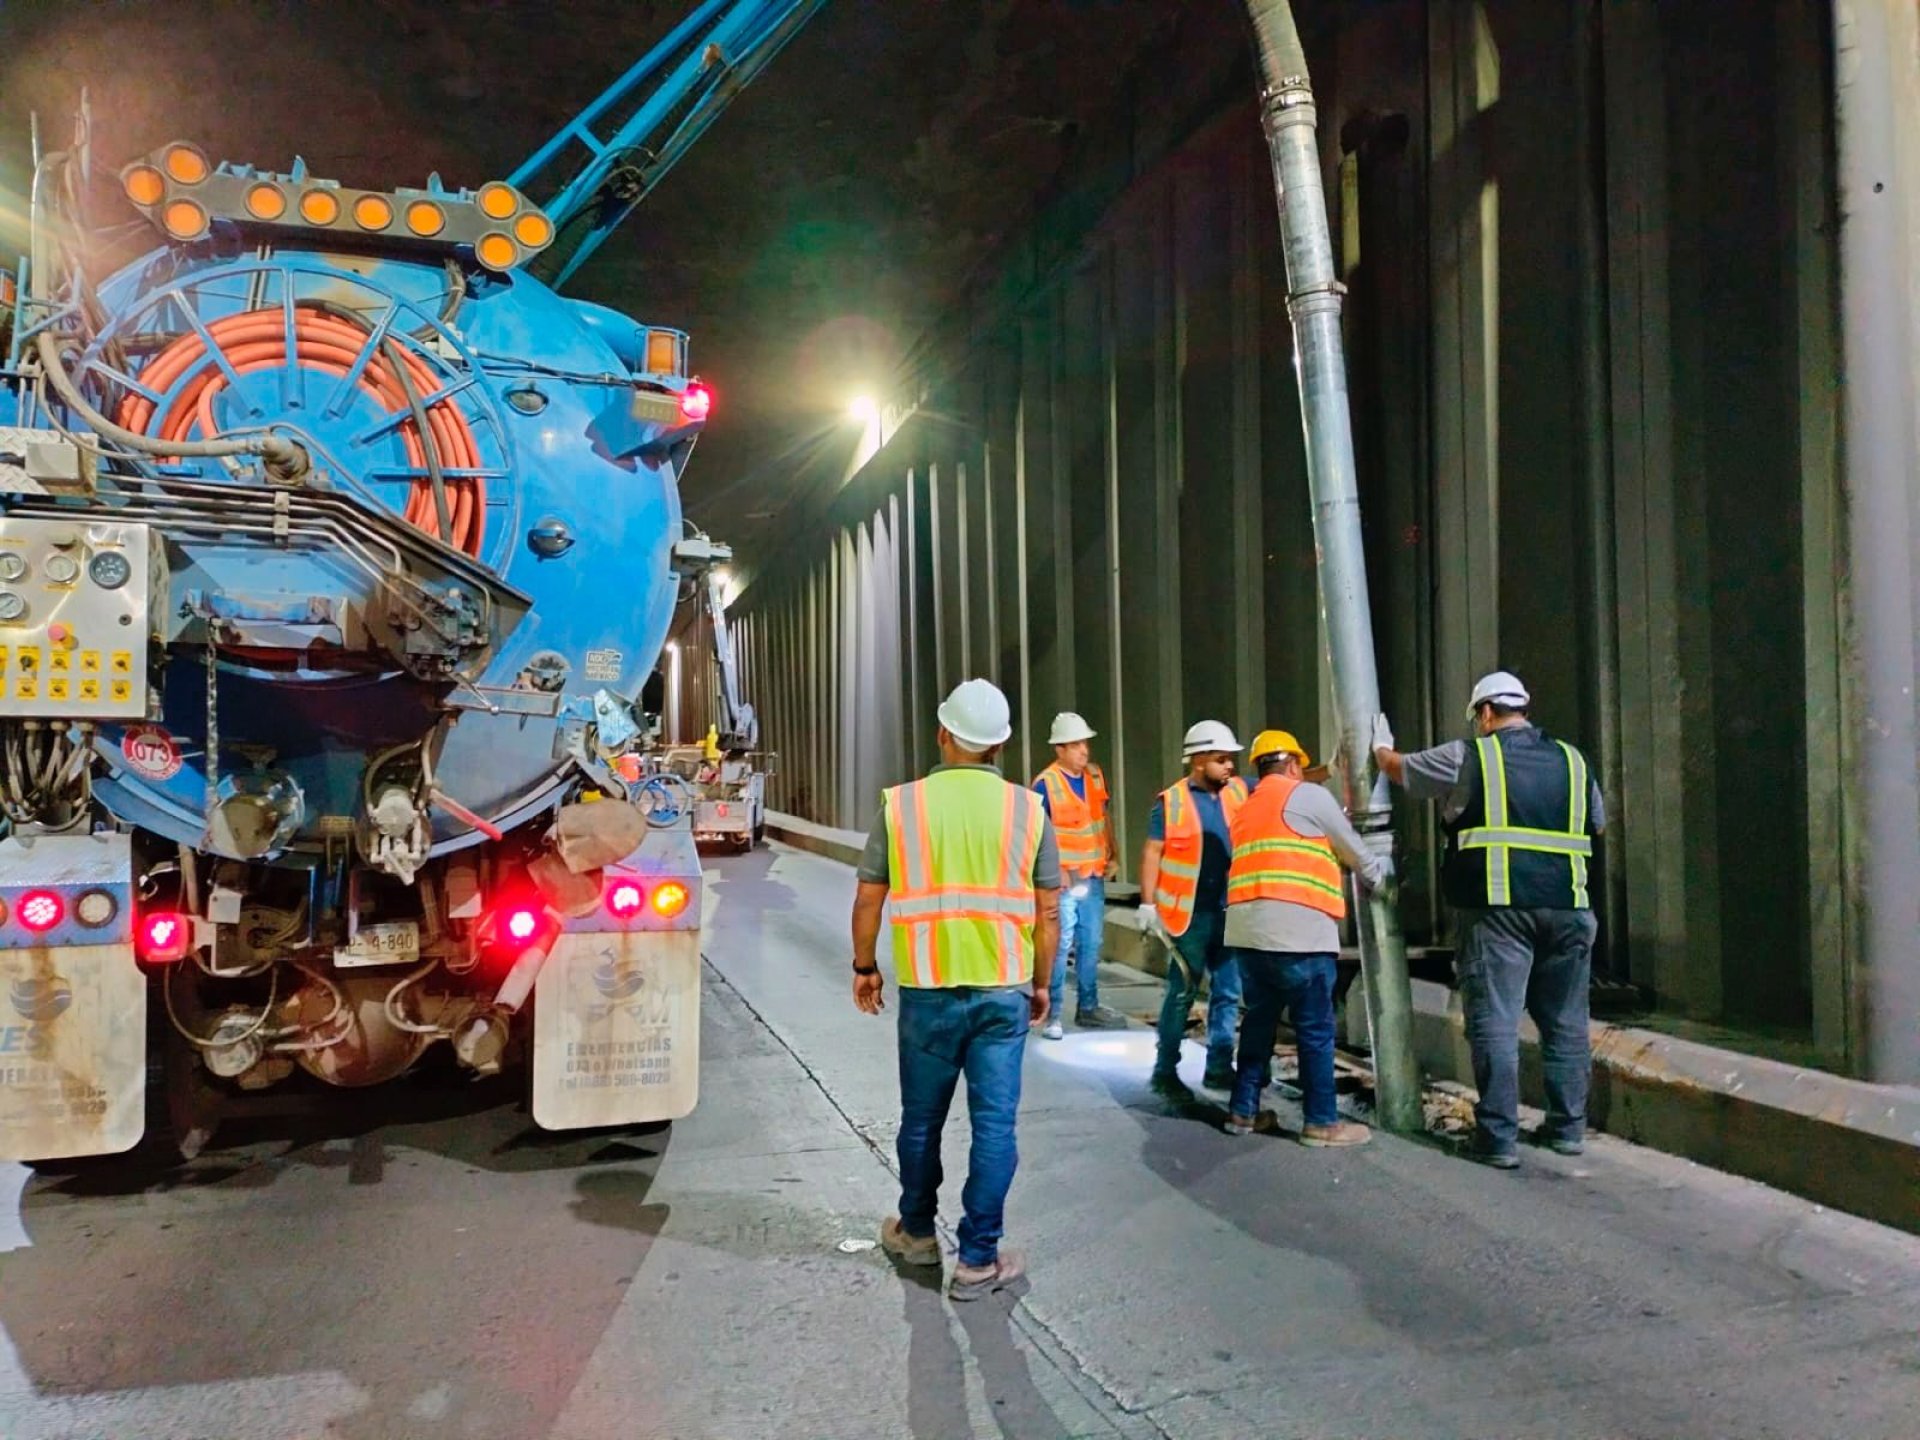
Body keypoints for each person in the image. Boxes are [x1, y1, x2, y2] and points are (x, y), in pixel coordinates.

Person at [851, 678, 1061, 1298]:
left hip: (928, 990)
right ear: (1000, 745)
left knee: (921, 1121)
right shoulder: (1030, 808)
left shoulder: (902, 805)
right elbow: (1048, 911)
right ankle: (976, 1259)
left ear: (944, 734)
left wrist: (866, 966)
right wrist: (1042, 984)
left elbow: (869, 896)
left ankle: (916, 1234)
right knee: (994, 1126)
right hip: (1004, 989)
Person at [1373, 670, 1604, 1168]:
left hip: (1498, 911)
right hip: (1570, 908)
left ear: (1484, 713)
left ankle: (1498, 1137)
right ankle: (1567, 1129)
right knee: (1566, 1023)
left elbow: (1404, 771)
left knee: (1495, 1022)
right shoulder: (1574, 761)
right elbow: (1597, 823)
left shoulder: (1471, 755)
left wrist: (1378, 747)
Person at [1223, 728, 1388, 1145]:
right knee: (1314, 1029)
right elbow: (1352, 849)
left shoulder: (1246, 808)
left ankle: (1243, 1112)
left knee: (1259, 1023)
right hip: (1300, 935)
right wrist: (1381, 879)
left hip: (1248, 935)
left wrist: (1330, 770)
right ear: (1294, 763)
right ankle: (1320, 1122)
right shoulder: (1311, 798)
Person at [1138, 720, 1249, 1102]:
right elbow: (1153, 851)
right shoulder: (1170, 802)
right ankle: (1164, 1070)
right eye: (1222, 759)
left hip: (1229, 911)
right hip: (1189, 917)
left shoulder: (1236, 792)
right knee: (1182, 994)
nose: (1230, 766)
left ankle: (1219, 1068)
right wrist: (1147, 903)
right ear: (1199, 761)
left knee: (1228, 994)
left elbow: (1275, 784)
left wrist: (1328, 771)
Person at [1031, 712, 1127, 1033]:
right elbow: (1037, 837)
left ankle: (1088, 1007)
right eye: (1075, 745)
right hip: (1063, 882)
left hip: (1094, 875)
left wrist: (1113, 853)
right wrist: (1053, 872)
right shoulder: (1046, 785)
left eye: (1084, 743)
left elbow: (1103, 819)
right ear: (1059, 749)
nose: (1083, 751)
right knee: (1060, 944)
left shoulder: (1095, 777)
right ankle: (1053, 1013)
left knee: (1091, 942)